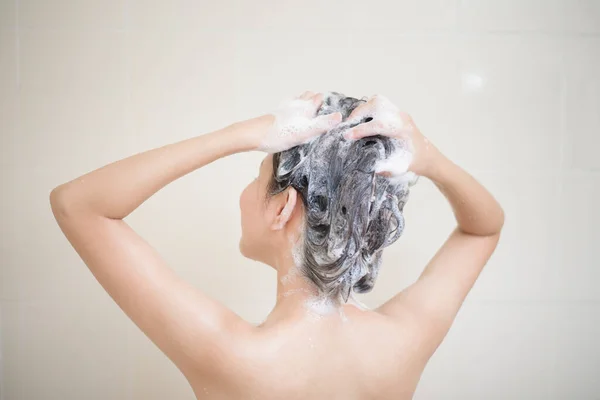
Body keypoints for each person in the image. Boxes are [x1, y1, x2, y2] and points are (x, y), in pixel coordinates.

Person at [50, 91, 505, 400]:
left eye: (256, 179)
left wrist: (237, 135)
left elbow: (78, 205)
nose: (245, 194)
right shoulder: (404, 341)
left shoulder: (234, 356)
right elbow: (483, 228)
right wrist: (428, 157)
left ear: (282, 207)